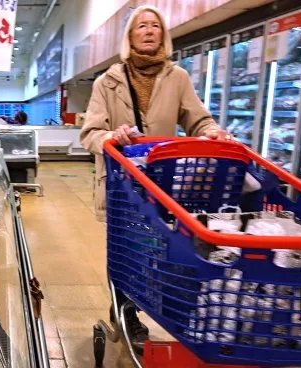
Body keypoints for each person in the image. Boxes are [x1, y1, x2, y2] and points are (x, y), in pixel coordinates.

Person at [79, 5, 228, 352]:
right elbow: (90, 133)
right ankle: (126, 311)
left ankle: (163, 305)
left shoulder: (178, 78)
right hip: (122, 184)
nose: (149, 31)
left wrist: (213, 132)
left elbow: (198, 120)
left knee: (164, 248)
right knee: (125, 250)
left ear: (163, 35)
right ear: (129, 37)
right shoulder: (108, 81)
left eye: (155, 26)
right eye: (141, 26)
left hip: (164, 183)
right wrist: (110, 138)